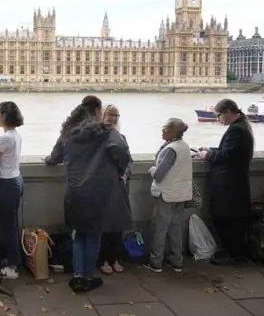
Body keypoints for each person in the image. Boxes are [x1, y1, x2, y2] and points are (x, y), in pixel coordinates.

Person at [46, 95, 131, 293]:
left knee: (79, 234)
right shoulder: (106, 130)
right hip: (98, 190)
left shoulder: (68, 132)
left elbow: (55, 156)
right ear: (98, 110)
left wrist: (49, 160)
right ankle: (88, 277)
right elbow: (121, 149)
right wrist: (117, 169)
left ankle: (76, 276)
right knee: (93, 235)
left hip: (75, 190)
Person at [197, 99, 254, 265]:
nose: (218, 119)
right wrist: (211, 149)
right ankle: (233, 252)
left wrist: (206, 156)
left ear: (228, 112)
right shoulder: (241, 126)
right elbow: (230, 151)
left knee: (226, 219)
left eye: (219, 115)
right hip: (234, 184)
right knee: (230, 220)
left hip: (230, 185)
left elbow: (226, 156)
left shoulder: (237, 130)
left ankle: (233, 255)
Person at [143, 118, 193, 273]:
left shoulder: (170, 149)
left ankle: (156, 262)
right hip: (181, 194)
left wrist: (152, 169)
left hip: (166, 194)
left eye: (166, 128)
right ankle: (176, 261)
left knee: (160, 228)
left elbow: (158, 175)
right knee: (175, 228)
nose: (162, 130)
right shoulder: (184, 147)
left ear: (174, 131)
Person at [0, 101, 24, 280]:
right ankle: (13, 261)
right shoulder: (15, 135)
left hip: (7, 184)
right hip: (16, 179)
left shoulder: (5, 138)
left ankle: (12, 266)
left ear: (4, 116)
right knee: (12, 224)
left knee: (7, 227)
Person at [98, 104, 133, 275]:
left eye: (116, 115)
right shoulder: (98, 138)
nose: (113, 118)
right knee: (104, 227)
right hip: (104, 187)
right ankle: (104, 259)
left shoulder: (122, 137)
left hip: (119, 187)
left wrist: (126, 175)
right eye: (110, 114)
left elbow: (129, 161)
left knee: (118, 225)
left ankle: (114, 258)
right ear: (103, 115)